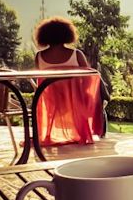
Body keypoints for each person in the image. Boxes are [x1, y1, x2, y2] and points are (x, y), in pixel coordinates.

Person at [33, 17, 104, 146]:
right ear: (67, 34)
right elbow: (89, 77)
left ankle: (49, 133)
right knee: (93, 95)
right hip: (75, 100)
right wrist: (81, 92)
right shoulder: (76, 54)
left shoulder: (39, 57)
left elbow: (40, 81)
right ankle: (84, 131)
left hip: (51, 101)